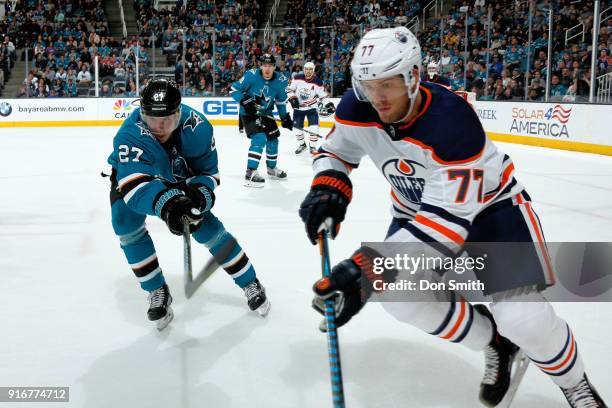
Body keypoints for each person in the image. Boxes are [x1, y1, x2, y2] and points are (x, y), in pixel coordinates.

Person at [299, 27, 606, 408]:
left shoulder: (452, 122)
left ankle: (574, 383)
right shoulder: (355, 108)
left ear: (413, 77)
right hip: (417, 215)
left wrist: (367, 270)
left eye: (388, 84)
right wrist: (329, 185)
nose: (377, 97)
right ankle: (495, 343)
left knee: (522, 318)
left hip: (492, 214)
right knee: (400, 299)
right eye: (368, 84)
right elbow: (337, 151)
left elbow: (447, 225)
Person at [107, 78, 270, 331]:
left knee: (208, 228)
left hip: (178, 177)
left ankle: (250, 282)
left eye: (167, 120)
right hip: (139, 178)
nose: (160, 127)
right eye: (153, 120)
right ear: (142, 114)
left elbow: (208, 173)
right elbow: (136, 187)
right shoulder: (129, 133)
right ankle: (156, 290)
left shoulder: (198, 128)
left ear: (179, 113)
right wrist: (170, 205)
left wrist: (198, 197)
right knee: (124, 222)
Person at [230, 53, 293, 187]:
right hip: (249, 113)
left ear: (274, 67)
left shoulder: (281, 80)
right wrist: (244, 100)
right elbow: (233, 90)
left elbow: (281, 102)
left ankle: (271, 168)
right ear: (261, 66)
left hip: (267, 114)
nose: (267, 69)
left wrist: (285, 117)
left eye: (270, 66)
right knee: (259, 138)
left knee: (273, 139)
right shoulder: (251, 75)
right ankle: (250, 171)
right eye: (265, 65)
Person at [286, 61, 335, 155]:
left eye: (310, 69)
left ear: (313, 71)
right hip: (298, 109)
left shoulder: (318, 82)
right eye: (306, 69)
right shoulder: (297, 78)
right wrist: (292, 98)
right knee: (297, 129)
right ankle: (302, 145)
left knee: (314, 128)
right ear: (304, 70)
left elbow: (323, 96)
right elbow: (289, 89)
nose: (308, 71)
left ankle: (312, 147)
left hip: (312, 108)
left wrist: (329, 104)